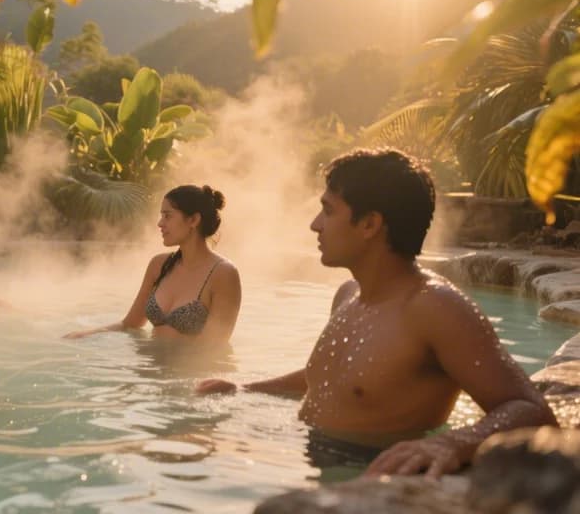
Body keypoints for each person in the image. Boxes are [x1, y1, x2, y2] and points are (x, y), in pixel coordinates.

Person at [196, 148, 557, 476]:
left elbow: (530, 409)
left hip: (368, 476)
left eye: (328, 210)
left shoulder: (435, 308)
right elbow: (332, 377)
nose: (315, 224)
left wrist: (451, 443)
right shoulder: (349, 295)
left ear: (370, 224)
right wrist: (246, 388)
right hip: (310, 460)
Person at [63, 184, 241, 342]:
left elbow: (213, 347)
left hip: (185, 376)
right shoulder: (159, 265)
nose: (160, 223)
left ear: (193, 220)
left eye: (167, 216)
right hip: (149, 369)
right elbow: (130, 324)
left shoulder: (223, 274)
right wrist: (89, 334)